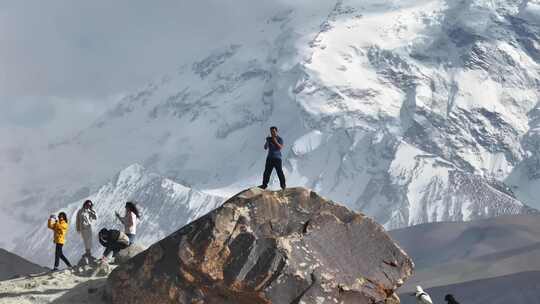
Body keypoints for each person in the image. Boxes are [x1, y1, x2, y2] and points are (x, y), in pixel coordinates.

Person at [259, 126, 286, 190]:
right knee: (267, 172)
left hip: (277, 158)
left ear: (276, 131)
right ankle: (264, 185)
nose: (272, 133)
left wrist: (275, 140)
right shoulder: (269, 139)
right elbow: (265, 147)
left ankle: (283, 185)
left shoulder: (280, 139)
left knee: (279, 172)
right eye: (271, 132)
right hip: (269, 158)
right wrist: (267, 141)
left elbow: (280, 147)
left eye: (273, 131)